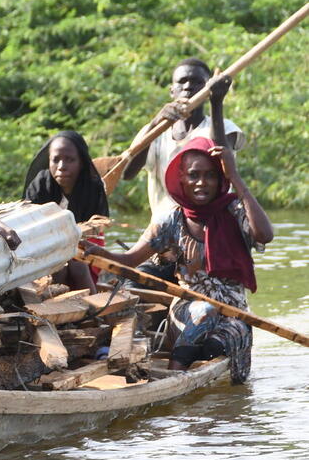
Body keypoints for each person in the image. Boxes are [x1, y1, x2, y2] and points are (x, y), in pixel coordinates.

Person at [83, 137, 273, 383]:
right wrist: (102, 255)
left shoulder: (235, 210)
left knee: (213, 347)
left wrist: (235, 176)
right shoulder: (171, 220)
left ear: (220, 179)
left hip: (233, 314)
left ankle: (196, 367)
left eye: (210, 175)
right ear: (182, 178)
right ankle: (174, 374)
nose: (201, 182)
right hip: (189, 309)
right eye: (194, 175)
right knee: (204, 311)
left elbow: (264, 235)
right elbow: (130, 259)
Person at [123, 58, 243, 224]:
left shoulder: (224, 128)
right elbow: (127, 173)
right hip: (165, 225)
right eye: (182, 82)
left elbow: (223, 168)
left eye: (197, 82)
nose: (187, 87)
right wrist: (156, 122)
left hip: (209, 225)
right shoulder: (153, 131)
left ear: (207, 88)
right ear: (172, 91)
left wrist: (216, 103)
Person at [24, 131, 109, 291]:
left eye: (70, 160)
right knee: (59, 269)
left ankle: (94, 303)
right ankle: (55, 300)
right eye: (56, 160)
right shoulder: (40, 185)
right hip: (46, 244)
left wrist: (71, 249)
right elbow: (31, 229)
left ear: (81, 162)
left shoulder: (92, 187)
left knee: (79, 268)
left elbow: (95, 229)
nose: (62, 166)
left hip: (86, 243)